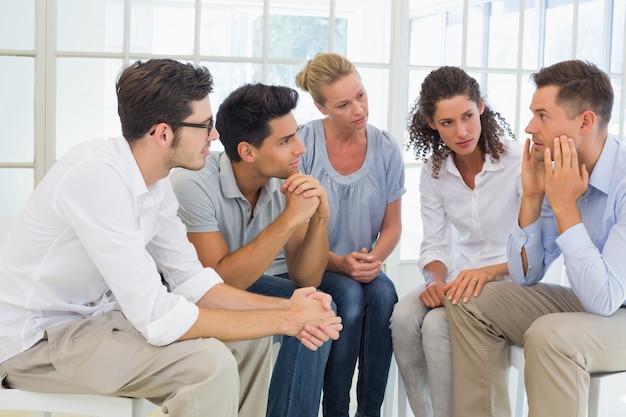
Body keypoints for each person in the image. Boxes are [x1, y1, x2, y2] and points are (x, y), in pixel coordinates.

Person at [0, 58, 342, 417]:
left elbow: (193, 283)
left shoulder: (155, 181)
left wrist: (289, 308)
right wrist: (284, 320)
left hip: (100, 324)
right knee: (207, 365)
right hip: (37, 345)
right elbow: (156, 316)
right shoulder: (96, 177)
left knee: (251, 342)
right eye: (205, 126)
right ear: (163, 133)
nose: (214, 136)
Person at [445, 59, 626, 417]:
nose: (529, 127)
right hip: (593, 304)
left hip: (613, 307)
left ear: (585, 122)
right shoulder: (562, 169)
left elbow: (605, 298)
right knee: (469, 301)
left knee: (550, 335)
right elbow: (527, 275)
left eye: (542, 115)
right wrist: (532, 197)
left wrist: (564, 208)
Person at [170, 83, 332, 417]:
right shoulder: (194, 182)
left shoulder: (283, 178)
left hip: (244, 280)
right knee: (305, 313)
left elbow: (306, 277)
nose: (300, 148)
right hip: (190, 291)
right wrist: (288, 219)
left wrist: (320, 217)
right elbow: (217, 281)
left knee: (317, 309)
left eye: (296, 135)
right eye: (285, 141)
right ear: (247, 152)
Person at [389, 66, 521, 417]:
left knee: (434, 324)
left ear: (480, 107)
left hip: (509, 277)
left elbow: (537, 248)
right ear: (432, 124)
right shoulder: (434, 171)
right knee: (402, 315)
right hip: (459, 276)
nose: (462, 132)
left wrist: (489, 273)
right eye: (447, 123)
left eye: (467, 116)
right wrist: (434, 280)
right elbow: (434, 243)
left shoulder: (517, 162)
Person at [295, 52, 405, 417]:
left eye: (361, 95)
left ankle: (369, 411)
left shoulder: (386, 148)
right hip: (315, 265)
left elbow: (393, 225)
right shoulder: (303, 144)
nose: (359, 109)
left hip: (362, 265)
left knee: (385, 293)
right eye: (343, 104)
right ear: (321, 106)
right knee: (349, 299)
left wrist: (375, 260)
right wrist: (338, 263)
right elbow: (293, 233)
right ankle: (336, 411)